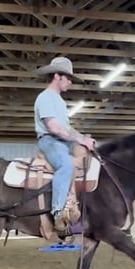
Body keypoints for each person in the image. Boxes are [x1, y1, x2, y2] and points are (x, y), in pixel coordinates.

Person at [34, 56, 97, 234]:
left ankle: (82, 208)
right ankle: (58, 212)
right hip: (51, 141)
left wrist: (84, 139)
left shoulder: (60, 101)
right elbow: (55, 128)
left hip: (63, 141)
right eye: (68, 78)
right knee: (66, 164)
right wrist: (79, 139)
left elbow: (67, 129)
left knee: (89, 158)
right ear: (56, 76)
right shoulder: (45, 98)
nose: (70, 82)